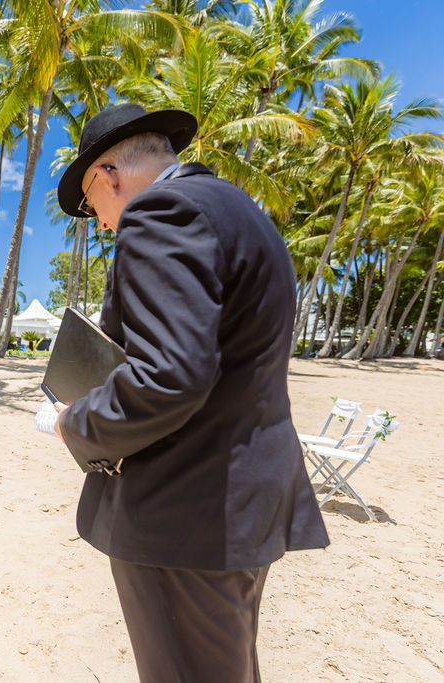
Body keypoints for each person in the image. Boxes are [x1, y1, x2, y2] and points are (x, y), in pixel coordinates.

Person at [51, 103, 330, 682]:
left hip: (185, 509)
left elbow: (168, 375)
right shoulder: (239, 211)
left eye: (92, 206)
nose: (101, 224)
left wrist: (74, 421)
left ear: (108, 175)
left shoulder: (160, 211)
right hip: (240, 497)